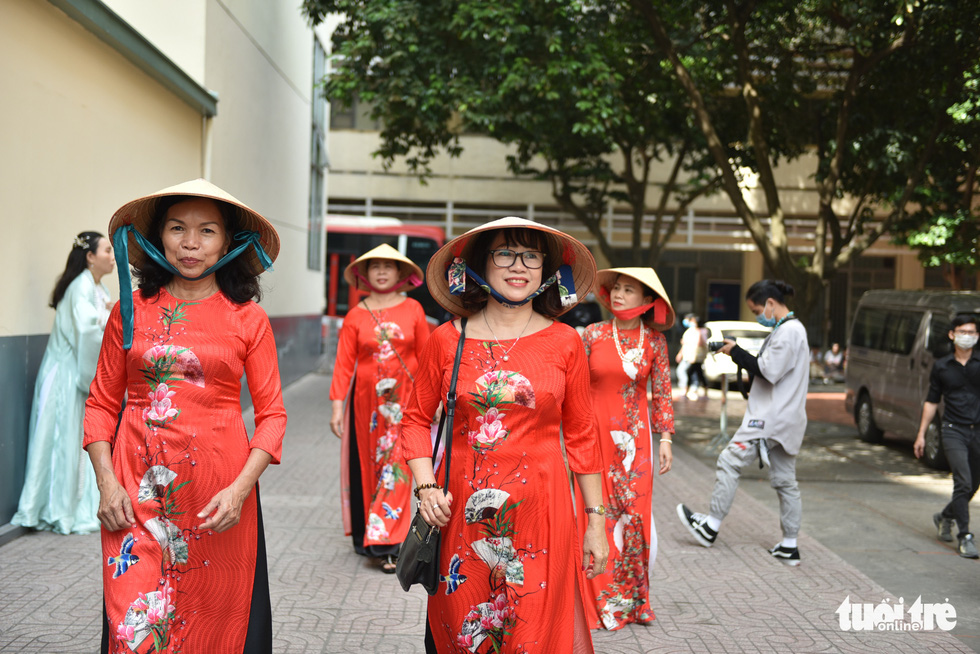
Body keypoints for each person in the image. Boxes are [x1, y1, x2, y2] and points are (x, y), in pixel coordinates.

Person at [83, 179, 286, 653]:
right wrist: (107, 483)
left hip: (218, 500)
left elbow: (273, 416)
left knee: (214, 623)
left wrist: (239, 491)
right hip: (135, 496)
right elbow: (100, 403)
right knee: (136, 627)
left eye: (207, 231)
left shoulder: (247, 319)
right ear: (159, 237)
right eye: (177, 228)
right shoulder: (129, 312)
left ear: (229, 243)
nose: (191, 243)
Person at [401, 216, 608, 653]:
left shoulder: (566, 342)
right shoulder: (447, 340)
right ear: (481, 264)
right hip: (460, 515)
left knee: (532, 630)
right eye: (505, 253)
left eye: (531, 255)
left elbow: (584, 437)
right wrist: (425, 487)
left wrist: (596, 523)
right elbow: (415, 420)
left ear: (547, 271)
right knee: (466, 629)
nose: (520, 266)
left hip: (543, 515)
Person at [676, 280, 809, 566]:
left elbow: (767, 371)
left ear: (771, 303)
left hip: (769, 419)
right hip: (788, 419)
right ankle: (790, 545)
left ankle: (710, 525)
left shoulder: (788, 332)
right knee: (786, 481)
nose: (757, 315)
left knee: (729, 460)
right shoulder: (791, 330)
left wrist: (735, 351)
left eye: (757, 309)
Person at [576, 268, 676, 631]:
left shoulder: (655, 344)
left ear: (647, 301)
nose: (618, 294)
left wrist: (665, 438)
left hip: (637, 443)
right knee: (592, 514)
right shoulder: (592, 334)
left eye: (628, 289)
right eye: (616, 288)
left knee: (635, 519)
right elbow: (574, 387)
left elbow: (662, 394)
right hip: (592, 436)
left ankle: (635, 603)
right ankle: (597, 601)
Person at [329, 243, 429, 573]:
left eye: (389, 266)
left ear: (401, 274)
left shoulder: (413, 309)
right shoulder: (356, 315)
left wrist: (436, 399)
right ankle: (373, 537)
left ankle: (391, 544)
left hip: (407, 402)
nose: (383, 271)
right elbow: (344, 364)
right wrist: (337, 407)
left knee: (399, 464)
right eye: (376, 267)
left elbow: (429, 359)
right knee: (372, 467)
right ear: (365, 274)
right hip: (366, 405)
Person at [11, 232, 115, 535]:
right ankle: (57, 508)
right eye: (107, 251)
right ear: (90, 257)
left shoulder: (96, 286)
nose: (112, 257)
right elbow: (87, 333)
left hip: (73, 373)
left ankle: (68, 504)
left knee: (72, 442)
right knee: (60, 441)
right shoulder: (80, 286)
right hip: (67, 377)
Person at [914, 313, 980, 559]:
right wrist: (921, 434)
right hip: (953, 430)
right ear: (952, 335)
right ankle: (965, 536)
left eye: (972, 332)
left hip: (978, 431)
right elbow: (932, 402)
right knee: (962, 481)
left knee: (973, 484)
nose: (967, 336)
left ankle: (945, 516)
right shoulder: (941, 366)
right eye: (963, 332)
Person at [676, 313, 707, 400]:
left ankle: (687, 390)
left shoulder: (698, 331)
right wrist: (680, 354)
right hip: (689, 356)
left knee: (684, 371)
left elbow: (698, 344)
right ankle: (690, 390)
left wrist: (693, 356)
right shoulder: (690, 331)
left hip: (692, 357)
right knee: (696, 373)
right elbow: (685, 344)